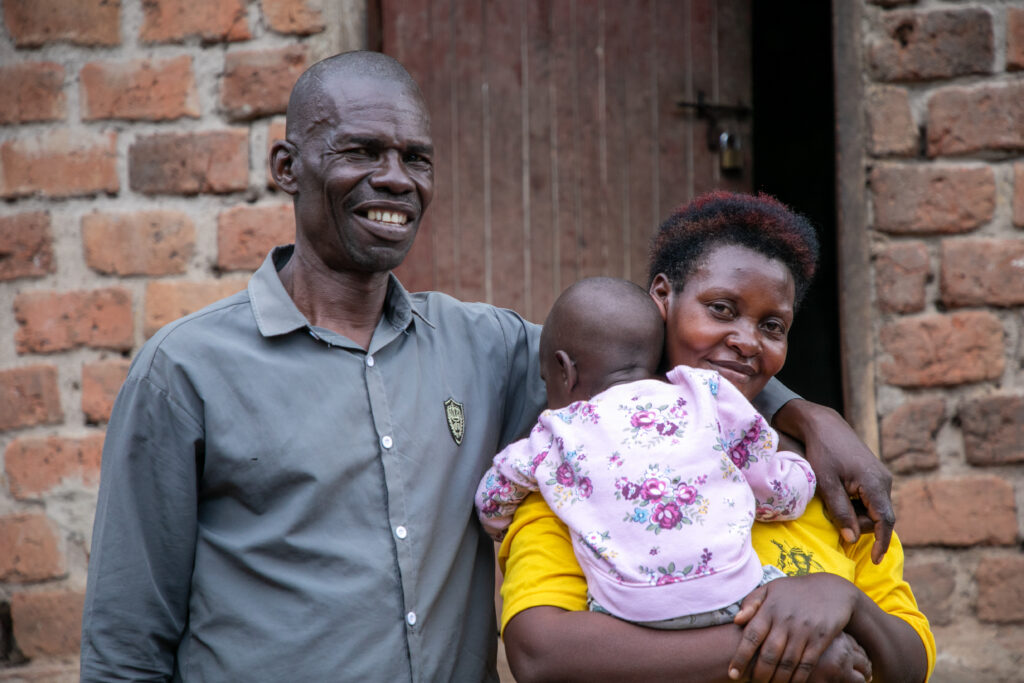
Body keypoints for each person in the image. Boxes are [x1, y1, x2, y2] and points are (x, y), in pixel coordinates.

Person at [79, 51, 897, 681]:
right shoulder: (186, 372)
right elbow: (126, 638)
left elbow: (651, 361)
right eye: (362, 150)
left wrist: (804, 412)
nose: (394, 177)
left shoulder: (489, 347)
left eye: (416, 156)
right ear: (288, 167)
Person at [499, 192, 934, 683]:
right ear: (662, 297)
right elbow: (541, 655)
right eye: (722, 309)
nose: (748, 341)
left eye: (773, 326)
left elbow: (911, 664)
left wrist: (845, 600)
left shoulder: (823, 483)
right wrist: (789, 646)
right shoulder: (581, 467)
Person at [476, 276, 816, 630]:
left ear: (565, 370)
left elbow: (492, 497)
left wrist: (499, 524)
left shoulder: (558, 430)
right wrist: (803, 471)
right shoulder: (705, 395)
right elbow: (772, 490)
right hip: (737, 595)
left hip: (629, 614)